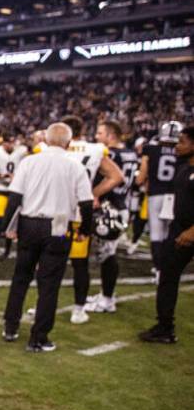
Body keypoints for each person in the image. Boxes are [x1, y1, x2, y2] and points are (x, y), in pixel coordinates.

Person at [1, 122, 94, 353]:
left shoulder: (29, 162)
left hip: (29, 224)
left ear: (46, 139)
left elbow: (14, 198)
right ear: (69, 143)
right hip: (59, 225)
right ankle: (38, 338)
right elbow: (87, 203)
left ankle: (10, 327)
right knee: (49, 284)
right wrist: (85, 230)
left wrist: (7, 227)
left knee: (21, 277)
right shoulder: (75, 166)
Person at [62, 115, 124, 325]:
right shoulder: (95, 149)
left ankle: (43, 304)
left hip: (54, 213)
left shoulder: (50, 148)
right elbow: (116, 176)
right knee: (80, 265)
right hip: (81, 214)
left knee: (49, 262)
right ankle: (78, 310)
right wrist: (91, 194)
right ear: (81, 130)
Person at [140, 125, 194, 344]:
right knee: (167, 276)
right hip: (179, 231)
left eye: (182, 142)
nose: (177, 146)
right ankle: (164, 327)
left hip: (189, 232)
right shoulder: (183, 168)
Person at [84, 120, 139, 313]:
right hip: (121, 204)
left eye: (100, 133)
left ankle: (107, 299)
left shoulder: (112, 154)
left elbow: (113, 179)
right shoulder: (130, 153)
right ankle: (106, 294)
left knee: (107, 255)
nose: (97, 137)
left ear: (111, 135)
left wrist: (94, 194)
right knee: (106, 254)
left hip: (110, 207)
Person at [136, 121, 183, 280]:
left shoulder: (150, 149)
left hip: (156, 195)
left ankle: (158, 270)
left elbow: (141, 176)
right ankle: (170, 269)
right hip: (176, 196)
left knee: (156, 234)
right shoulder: (182, 151)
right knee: (170, 234)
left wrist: (139, 183)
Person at [0, 134, 27, 260]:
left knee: (12, 222)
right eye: (6, 143)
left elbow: (26, 168)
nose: (9, 145)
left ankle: (7, 251)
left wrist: (18, 177)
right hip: (0, 189)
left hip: (15, 191)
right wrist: (3, 176)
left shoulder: (22, 151)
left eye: (11, 142)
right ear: (2, 143)